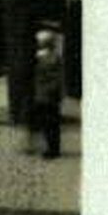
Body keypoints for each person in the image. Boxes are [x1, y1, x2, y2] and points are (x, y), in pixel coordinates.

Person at [31, 24, 65, 159]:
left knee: (48, 122)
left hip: (45, 94)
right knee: (52, 122)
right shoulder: (54, 56)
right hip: (50, 94)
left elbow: (42, 76)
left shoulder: (43, 58)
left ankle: (51, 149)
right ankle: (53, 147)